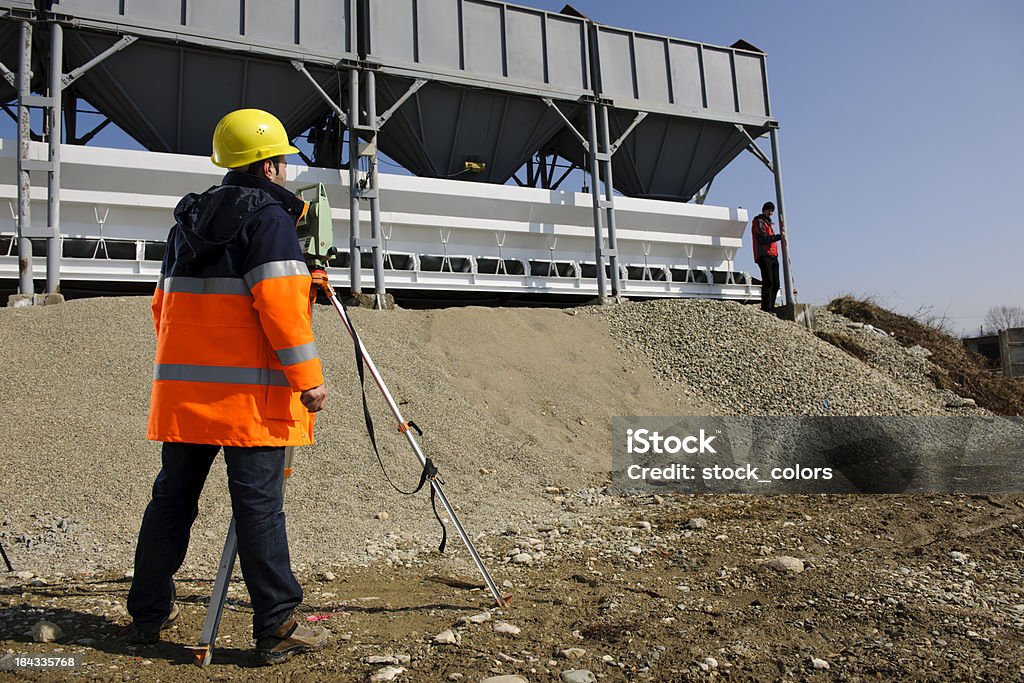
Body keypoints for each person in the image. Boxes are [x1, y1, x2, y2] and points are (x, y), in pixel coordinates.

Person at [127, 109, 329, 665]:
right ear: (268, 164)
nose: (287, 169)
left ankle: (146, 611)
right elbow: (281, 308)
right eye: (283, 159)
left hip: (186, 394)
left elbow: (163, 308)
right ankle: (277, 626)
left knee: (171, 499)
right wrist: (308, 380)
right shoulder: (270, 219)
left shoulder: (186, 223)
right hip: (250, 400)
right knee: (260, 509)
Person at [751, 201, 784, 313]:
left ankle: (771, 307)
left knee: (776, 284)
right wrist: (778, 237)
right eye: (770, 210)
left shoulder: (768, 224)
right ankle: (766, 308)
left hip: (773, 255)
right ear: (764, 210)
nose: (771, 213)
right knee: (768, 282)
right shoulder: (759, 222)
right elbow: (763, 239)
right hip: (764, 255)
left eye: (772, 211)